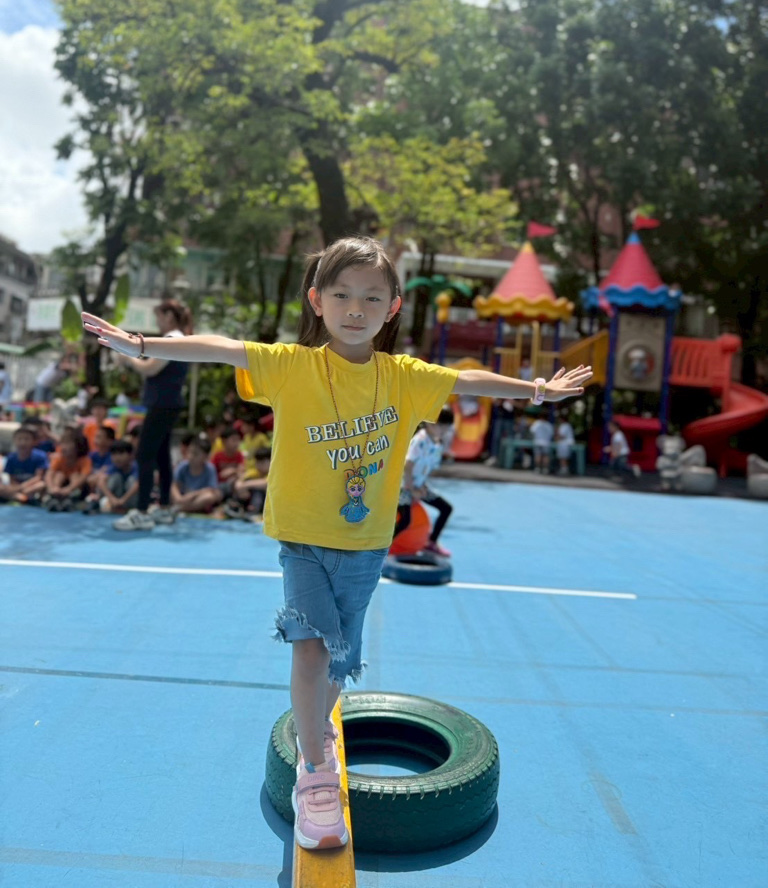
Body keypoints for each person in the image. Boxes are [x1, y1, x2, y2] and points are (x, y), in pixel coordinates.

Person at [81, 235, 591, 852]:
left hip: (367, 544)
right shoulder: (292, 366)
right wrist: (141, 344)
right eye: (342, 295)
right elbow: (220, 348)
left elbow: (468, 381)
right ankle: (315, 773)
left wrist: (537, 390)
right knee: (310, 652)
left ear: (393, 307)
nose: (356, 308)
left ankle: (318, 724)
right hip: (304, 541)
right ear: (317, 300)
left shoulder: (403, 377)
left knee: (339, 658)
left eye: (372, 298)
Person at [110, 299, 193, 531]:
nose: (157, 322)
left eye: (159, 316)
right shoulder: (178, 338)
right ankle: (164, 507)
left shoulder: (173, 338)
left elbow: (150, 368)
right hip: (167, 404)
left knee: (144, 454)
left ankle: (142, 511)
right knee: (161, 456)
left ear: (169, 316)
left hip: (162, 404)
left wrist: (128, 356)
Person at [394, 405, 455, 556]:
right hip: (404, 487)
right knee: (405, 521)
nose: (443, 430)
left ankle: (431, 543)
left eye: (446, 426)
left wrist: (422, 487)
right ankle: (381, 548)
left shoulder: (437, 443)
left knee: (446, 508)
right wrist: (412, 490)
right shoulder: (420, 440)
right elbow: (408, 466)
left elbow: (426, 469)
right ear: (428, 422)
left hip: (418, 485)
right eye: (440, 425)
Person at [170, 434, 222, 514]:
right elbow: (174, 486)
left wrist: (192, 495)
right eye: (189, 452)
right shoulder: (182, 466)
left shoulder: (210, 469)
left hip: (196, 498)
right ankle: (186, 507)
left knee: (209, 497)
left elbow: (211, 490)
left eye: (195, 454)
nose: (191, 456)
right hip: (183, 498)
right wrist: (179, 499)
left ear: (205, 457)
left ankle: (182, 508)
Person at [43, 428, 92, 511]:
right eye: (62, 443)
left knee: (74, 475)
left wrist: (68, 489)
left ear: (78, 446)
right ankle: (53, 498)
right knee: (59, 475)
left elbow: (83, 477)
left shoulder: (84, 460)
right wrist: (52, 488)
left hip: (76, 490)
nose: (64, 447)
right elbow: (49, 474)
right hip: (60, 488)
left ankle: (72, 498)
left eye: (68, 443)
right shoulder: (59, 458)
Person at [0, 426, 48, 504]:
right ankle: (20, 497)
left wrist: (23, 487)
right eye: (19, 439)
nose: (23, 442)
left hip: (32, 486)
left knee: (41, 485)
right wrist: (17, 488)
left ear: (34, 441)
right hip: (17, 487)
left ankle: (19, 497)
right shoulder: (11, 458)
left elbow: (38, 477)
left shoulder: (41, 456)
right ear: (14, 440)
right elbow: (11, 479)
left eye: (26, 439)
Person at [94, 439, 139, 514]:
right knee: (115, 478)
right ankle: (114, 506)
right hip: (117, 500)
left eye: (121, 453)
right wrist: (112, 498)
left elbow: (137, 485)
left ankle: (130, 508)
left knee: (131, 480)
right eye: (114, 454)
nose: (117, 458)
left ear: (131, 455)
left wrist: (123, 500)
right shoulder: (114, 467)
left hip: (129, 500)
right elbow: (101, 482)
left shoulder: (135, 466)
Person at [233, 445, 271, 518]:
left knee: (258, 491)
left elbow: (266, 483)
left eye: (262, 462)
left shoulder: (272, 474)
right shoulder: (254, 472)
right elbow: (239, 481)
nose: (259, 465)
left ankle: (253, 509)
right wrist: (242, 489)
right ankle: (236, 505)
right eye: (257, 462)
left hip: (265, 502)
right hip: (248, 498)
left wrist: (245, 485)